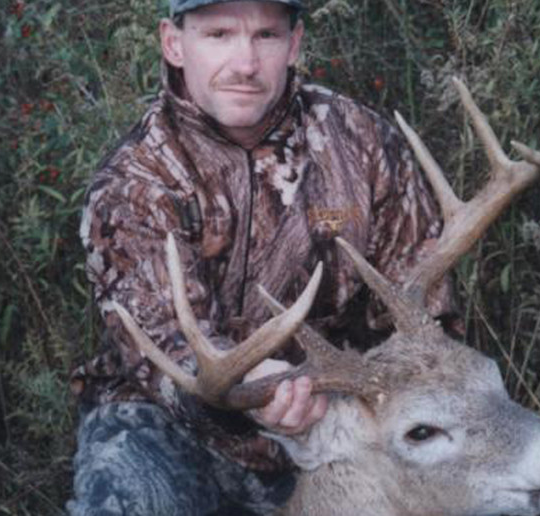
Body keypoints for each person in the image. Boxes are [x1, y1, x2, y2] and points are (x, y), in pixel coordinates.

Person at [69, 1, 457, 514]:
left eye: (266, 36)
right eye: (220, 34)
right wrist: (248, 385)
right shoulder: (134, 183)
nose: (246, 63)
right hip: (171, 422)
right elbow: (163, 349)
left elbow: (424, 324)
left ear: (294, 44)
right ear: (173, 44)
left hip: (337, 418)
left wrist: (362, 393)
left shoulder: (361, 142)